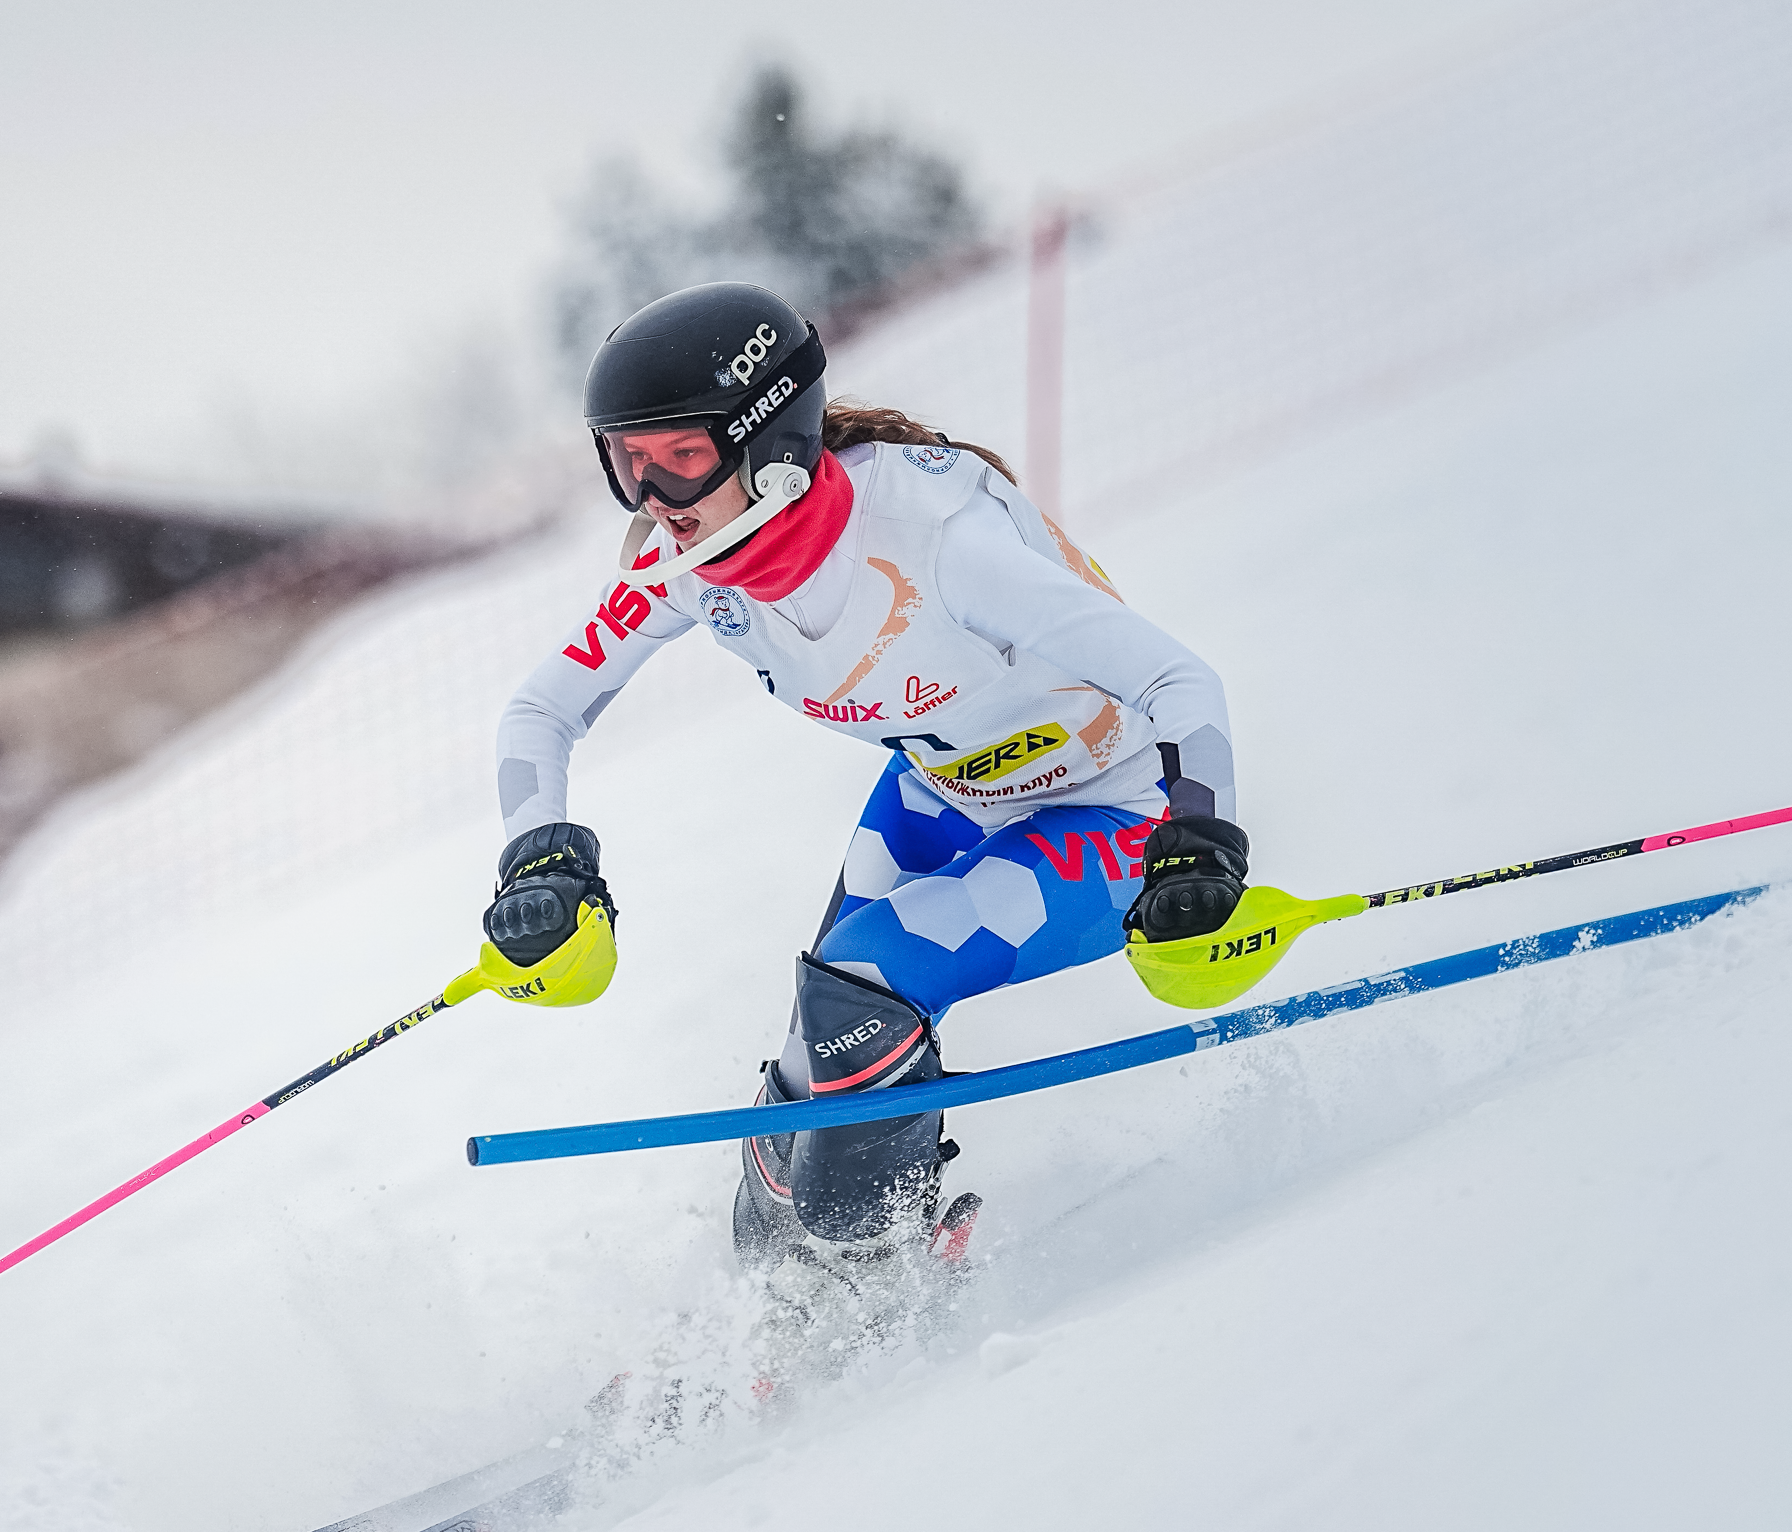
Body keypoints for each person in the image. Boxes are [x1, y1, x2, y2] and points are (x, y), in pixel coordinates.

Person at [481, 281, 1249, 1306]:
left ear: (771, 446)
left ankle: (871, 1270)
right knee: (821, 1039)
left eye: (680, 458)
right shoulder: (692, 564)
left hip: (1114, 809)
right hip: (947, 788)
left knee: (867, 981)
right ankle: (772, 1301)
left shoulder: (938, 542)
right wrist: (539, 851)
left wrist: (1200, 839)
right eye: (628, 464)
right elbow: (540, 712)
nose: (656, 500)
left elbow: (1179, 685)